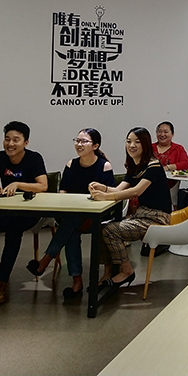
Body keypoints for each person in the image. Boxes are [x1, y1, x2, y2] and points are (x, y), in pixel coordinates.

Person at [26, 128, 115, 299]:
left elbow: (110, 195)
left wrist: (92, 208)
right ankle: (76, 282)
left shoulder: (104, 166)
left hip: (95, 217)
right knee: (71, 229)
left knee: (70, 225)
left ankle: (47, 262)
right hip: (73, 216)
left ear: (95, 146)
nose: (79, 144)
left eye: (84, 141)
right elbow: (63, 191)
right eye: (77, 141)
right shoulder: (71, 165)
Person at [0, 121, 48, 304]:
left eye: (16, 140)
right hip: (6, 209)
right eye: (7, 139)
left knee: (13, 231)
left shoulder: (34, 158)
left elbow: (43, 186)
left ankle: (0, 282)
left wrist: (18, 184)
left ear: (26, 142)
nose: (10, 144)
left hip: (29, 212)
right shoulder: (0, 157)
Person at [89, 127, 171, 289]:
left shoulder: (153, 166)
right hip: (142, 215)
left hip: (157, 218)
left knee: (109, 231)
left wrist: (105, 196)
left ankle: (127, 271)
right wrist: (102, 188)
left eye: (137, 142)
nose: (132, 145)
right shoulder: (134, 165)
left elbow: (136, 191)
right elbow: (119, 189)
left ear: (145, 144)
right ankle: (108, 272)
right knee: (101, 228)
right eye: (128, 141)